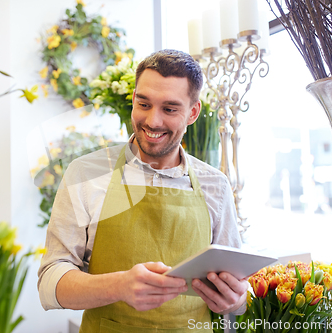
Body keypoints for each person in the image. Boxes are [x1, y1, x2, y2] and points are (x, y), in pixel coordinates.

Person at [38, 49, 248, 332]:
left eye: (170, 109)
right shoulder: (86, 174)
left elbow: (239, 290)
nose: (153, 121)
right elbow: (51, 281)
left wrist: (236, 300)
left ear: (193, 113)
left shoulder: (216, 185)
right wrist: (119, 286)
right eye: (144, 104)